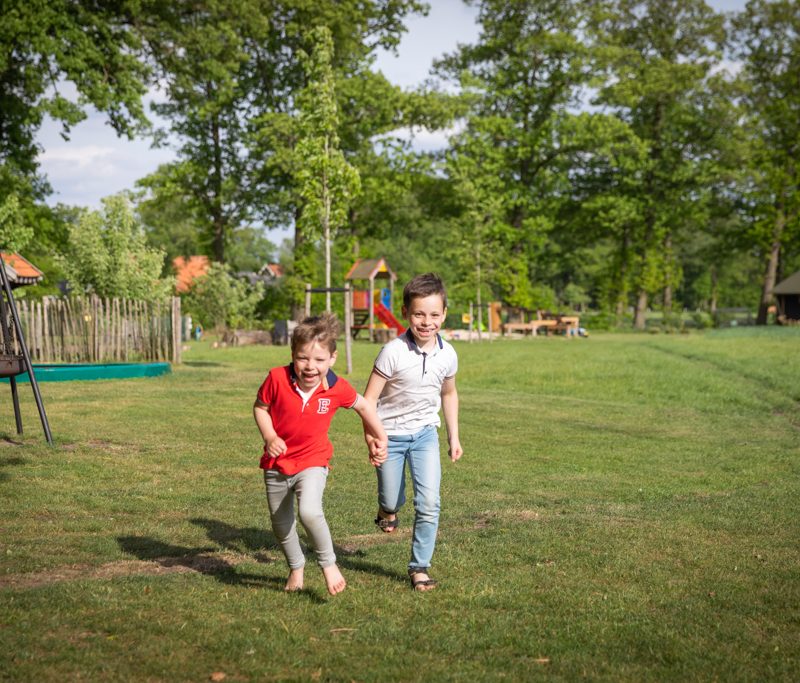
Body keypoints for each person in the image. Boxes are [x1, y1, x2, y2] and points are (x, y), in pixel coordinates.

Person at [253, 313, 387, 595]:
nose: (310, 366)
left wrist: (380, 436)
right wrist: (270, 437)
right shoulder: (276, 378)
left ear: (332, 358)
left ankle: (328, 564)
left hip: (313, 461)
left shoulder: (337, 387)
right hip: (277, 464)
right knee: (281, 525)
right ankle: (296, 567)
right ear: (293, 354)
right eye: (303, 358)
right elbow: (260, 408)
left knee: (309, 511)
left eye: (319, 359)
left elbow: (364, 406)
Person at [363, 273, 463, 591]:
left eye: (434, 315)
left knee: (430, 502)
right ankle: (387, 510)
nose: (426, 322)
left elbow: (449, 394)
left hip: (424, 434)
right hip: (389, 436)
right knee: (391, 498)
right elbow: (368, 400)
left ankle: (419, 567)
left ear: (444, 314)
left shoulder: (448, 354)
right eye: (419, 314)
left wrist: (453, 436)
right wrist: (372, 436)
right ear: (406, 312)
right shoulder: (392, 351)